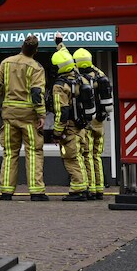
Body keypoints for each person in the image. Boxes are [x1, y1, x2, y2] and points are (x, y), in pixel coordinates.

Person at [0, 35, 48, 201]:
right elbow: (37, 93)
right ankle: (36, 192)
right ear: (36, 50)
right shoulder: (36, 67)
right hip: (29, 117)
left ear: (22, 47)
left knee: (10, 153)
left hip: (9, 115)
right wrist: (41, 114)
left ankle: (6, 191)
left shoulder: (6, 63)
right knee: (34, 153)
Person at [51, 35, 89, 201]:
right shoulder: (78, 77)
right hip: (81, 126)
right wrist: (60, 44)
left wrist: (57, 132)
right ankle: (84, 186)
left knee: (71, 158)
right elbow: (66, 57)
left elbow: (62, 111)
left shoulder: (60, 86)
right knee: (80, 157)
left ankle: (78, 189)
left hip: (70, 128)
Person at [74, 48, 110, 200]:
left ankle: (91, 188)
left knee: (87, 155)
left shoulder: (81, 79)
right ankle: (99, 188)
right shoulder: (101, 76)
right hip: (100, 123)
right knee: (97, 156)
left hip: (89, 122)